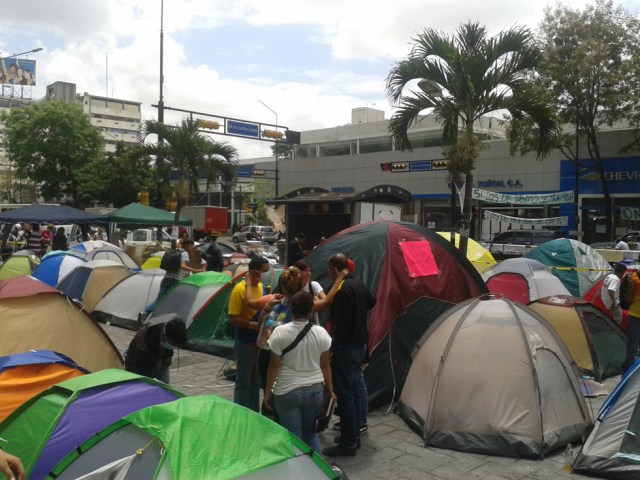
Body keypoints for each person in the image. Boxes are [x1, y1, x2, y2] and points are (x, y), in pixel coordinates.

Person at [263, 291, 334, 455]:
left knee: (293, 437)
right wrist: (330, 390)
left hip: (287, 391)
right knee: (311, 434)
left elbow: (274, 365)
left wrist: (267, 393)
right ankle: (318, 472)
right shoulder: (321, 333)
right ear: (311, 311)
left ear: (292, 310)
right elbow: (325, 366)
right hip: (315, 390)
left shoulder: (279, 332)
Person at [323, 253, 376, 458]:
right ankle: (352, 435)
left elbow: (340, 327)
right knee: (353, 391)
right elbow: (372, 302)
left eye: (329, 269)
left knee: (345, 394)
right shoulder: (359, 284)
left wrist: (332, 350)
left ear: (334, 269)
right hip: (360, 344)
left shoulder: (342, 291)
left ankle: (348, 443)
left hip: (347, 348)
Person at [228, 256, 270, 411]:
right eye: (265, 271)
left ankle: (253, 412)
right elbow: (233, 318)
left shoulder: (261, 286)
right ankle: (239, 412)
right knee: (244, 381)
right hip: (245, 342)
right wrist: (254, 325)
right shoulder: (239, 290)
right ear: (254, 271)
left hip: (259, 341)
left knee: (255, 381)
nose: (267, 274)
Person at [124, 313, 187, 384]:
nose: (173, 347)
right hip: (137, 365)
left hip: (156, 353)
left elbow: (172, 341)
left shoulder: (176, 323)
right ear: (163, 336)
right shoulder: (143, 345)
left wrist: (168, 355)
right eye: (171, 345)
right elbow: (144, 375)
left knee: (164, 385)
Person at [295, 260, 326, 324]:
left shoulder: (313, 285)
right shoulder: (293, 287)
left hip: (312, 324)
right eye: (305, 270)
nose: (308, 273)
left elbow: (325, 301)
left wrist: (318, 301)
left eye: (309, 271)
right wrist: (314, 302)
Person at [623, 270, 640, 372]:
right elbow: (627, 300)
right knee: (632, 350)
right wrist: (630, 286)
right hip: (634, 316)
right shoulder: (632, 278)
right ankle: (626, 375)